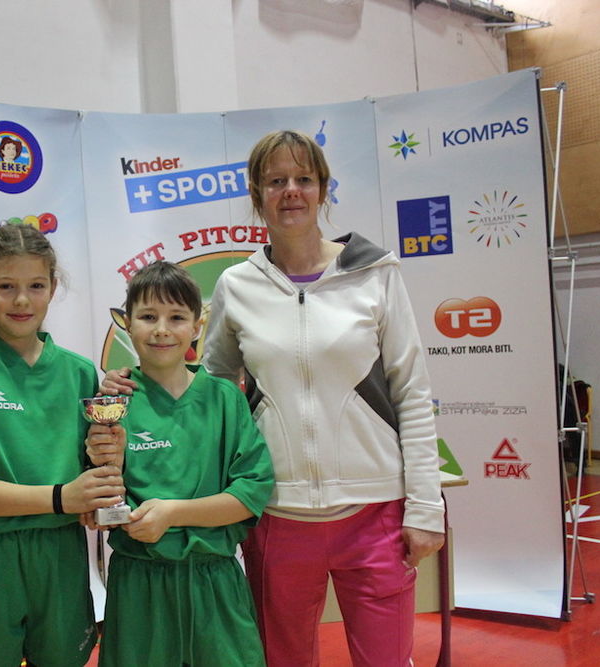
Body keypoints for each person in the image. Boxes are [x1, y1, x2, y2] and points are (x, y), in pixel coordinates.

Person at [105, 130, 445, 667]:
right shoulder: (238, 285)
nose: (291, 191)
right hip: (278, 516)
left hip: (375, 508)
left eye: (304, 179)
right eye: (276, 181)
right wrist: (135, 382)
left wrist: (426, 505)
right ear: (256, 193)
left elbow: (412, 391)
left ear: (323, 189)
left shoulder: (376, 274)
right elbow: (206, 386)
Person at [0, 224, 123, 667]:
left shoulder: (79, 373)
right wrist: (61, 498)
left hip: (60, 555)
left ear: (53, 288)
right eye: (6, 286)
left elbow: (91, 478)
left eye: (35, 286)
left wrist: (106, 473)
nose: (21, 300)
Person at [86, 261, 274, 667]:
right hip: (139, 584)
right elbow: (96, 505)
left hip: (215, 580)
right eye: (148, 317)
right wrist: (104, 483)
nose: (161, 330)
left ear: (197, 326)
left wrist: (172, 513)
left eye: (176, 317)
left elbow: (251, 492)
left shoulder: (224, 399)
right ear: (126, 323)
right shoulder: (113, 403)